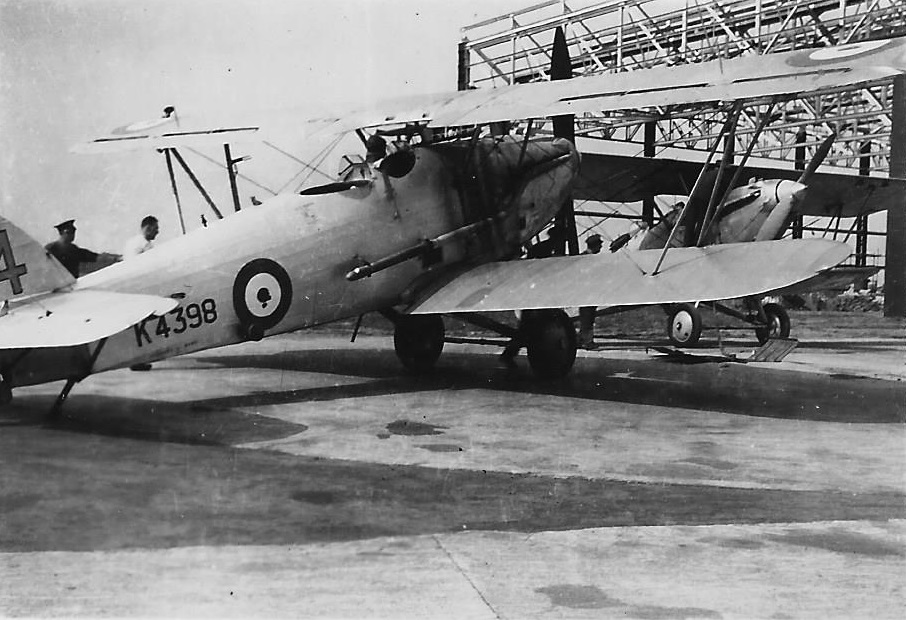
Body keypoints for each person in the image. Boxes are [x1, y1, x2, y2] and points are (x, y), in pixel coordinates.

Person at [45, 220, 121, 278]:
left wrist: (115, 258)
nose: (73, 235)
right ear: (65, 233)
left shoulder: (73, 249)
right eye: (71, 232)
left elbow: (94, 257)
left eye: (73, 232)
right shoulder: (50, 249)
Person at [578, 233, 603, 348]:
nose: (601, 247)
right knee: (587, 317)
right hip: (586, 292)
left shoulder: (587, 257)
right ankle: (587, 341)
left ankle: (585, 339)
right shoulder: (585, 258)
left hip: (590, 292)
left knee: (589, 316)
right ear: (595, 245)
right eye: (599, 245)